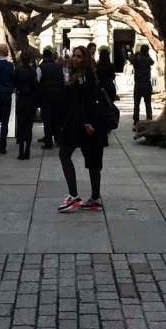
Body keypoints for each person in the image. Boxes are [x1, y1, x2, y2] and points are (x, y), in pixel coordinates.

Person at [58, 46, 108, 212]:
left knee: (70, 155)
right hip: (78, 119)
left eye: (79, 56)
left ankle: (76, 197)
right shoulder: (78, 74)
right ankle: (93, 198)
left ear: (85, 59)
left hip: (83, 120)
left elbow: (89, 100)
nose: (75, 59)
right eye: (74, 56)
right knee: (88, 158)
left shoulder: (86, 76)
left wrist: (87, 123)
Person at [14, 51, 40, 160]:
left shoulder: (17, 71)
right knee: (29, 126)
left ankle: (21, 150)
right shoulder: (33, 72)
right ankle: (27, 149)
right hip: (31, 101)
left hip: (21, 99)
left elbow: (14, 83)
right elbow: (36, 86)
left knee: (21, 125)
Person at [38, 48, 66, 150]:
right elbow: (63, 79)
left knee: (47, 120)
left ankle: (48, 142)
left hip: (45, 97)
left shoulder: (40, 67)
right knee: (56, 118)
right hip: (58, 96)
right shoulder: (59, 66)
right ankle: (58, 140)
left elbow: (37, 81)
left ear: (43, 56)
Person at [129, 44, 154, 124]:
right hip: (147, 83)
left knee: (136, 103)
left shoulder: (136, 59)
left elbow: (131, 59)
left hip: (138, 84)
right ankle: (149, 118)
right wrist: (147, 55)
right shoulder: (148, 59)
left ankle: (136, 119)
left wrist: (136, 54)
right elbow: (152, 62)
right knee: (148, 103)